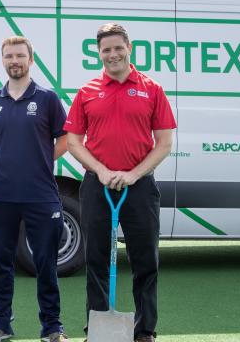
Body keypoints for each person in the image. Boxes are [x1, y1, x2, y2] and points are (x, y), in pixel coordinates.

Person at [64, 23, 176, 342]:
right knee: (96, 260)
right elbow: (74, 142)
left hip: (139, 187)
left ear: (129, 48)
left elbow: (164, 143)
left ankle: (144, 330)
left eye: (117, 48)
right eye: (105, 49)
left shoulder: (152, 89)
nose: (112, 54)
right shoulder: (87, 92)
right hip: (97, 185)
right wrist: (100, 170)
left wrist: (134, 174)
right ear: (98, 53)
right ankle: (97, 328)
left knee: (145, 261)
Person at [0, 36, 70, 342]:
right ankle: (1, 324)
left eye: (20, 55)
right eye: (9, 56)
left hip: (41, 196)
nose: (14, 60)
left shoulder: (47, 98)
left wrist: (44, 158)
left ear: (30, 59)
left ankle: (52, 327)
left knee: (45, 264)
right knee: (1, 265)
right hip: (2, 197)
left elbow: (66, 139)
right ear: (3, 60)